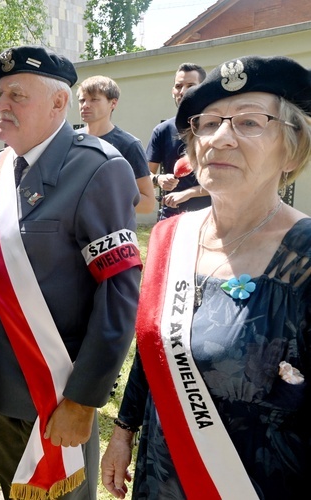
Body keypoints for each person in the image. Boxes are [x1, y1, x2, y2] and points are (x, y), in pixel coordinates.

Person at [101, 55, 311, 499]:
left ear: (291, 145)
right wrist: (123, 430)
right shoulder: (168, 237)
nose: (221, 138)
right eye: (209, 123)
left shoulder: (305, 256)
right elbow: (155, 347)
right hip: (161, 477)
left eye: (250, 123)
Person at [0, 46, 142, 499]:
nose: (1, 105)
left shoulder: (97, 168)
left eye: (16, 94)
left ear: (58, 103)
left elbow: (119, 294)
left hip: (55, 393)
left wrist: (84, 399)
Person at [77, 75, 156, 213]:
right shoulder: (72, 140)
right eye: (82, 100)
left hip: (107, 231)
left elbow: (148, 203)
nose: (85, 105)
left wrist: (102, 196)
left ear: (113, 103)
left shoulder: (129, 145)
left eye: (94, 99)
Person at [147, 62, 210, 219]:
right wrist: (158, 179)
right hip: (171, 217)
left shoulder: (216, 128)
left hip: (210, 216)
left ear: (204, 89)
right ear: (173, 91)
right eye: (178, 86)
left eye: (190, 85)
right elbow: (143, 174)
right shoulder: (162, 130)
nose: (183, 91)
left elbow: (227, 182)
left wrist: (188, 193)